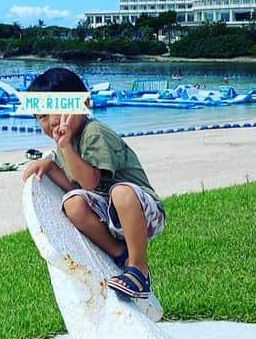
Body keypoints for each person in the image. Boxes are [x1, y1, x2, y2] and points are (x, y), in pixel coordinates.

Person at [21, 67, 165, 303]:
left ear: (84, 103)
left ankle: (139, 269)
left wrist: (65, 147)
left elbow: (90, 181)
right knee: (73, 203)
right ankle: (120, 255)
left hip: (142, 212)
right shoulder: (64, 143)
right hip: (109, 213)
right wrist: (49, 166)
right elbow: (75, 187)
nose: (52, 120)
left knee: (120, 191)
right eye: (42, 116)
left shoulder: (93, 133)